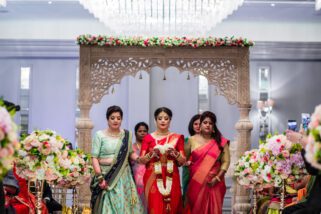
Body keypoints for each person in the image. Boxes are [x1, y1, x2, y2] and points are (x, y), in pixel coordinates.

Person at [90, 105, 143, 213]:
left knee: (124, 206)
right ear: (107, 119)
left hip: (123, 177)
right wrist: (100, 177)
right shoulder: (99, 135)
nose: (116, 120)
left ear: (121, 120)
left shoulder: (126, 135)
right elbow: (94, 158)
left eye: (118, 118)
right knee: (107, 207)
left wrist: (139, 159)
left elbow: (130, 153)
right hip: (106, 176)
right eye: (112, 118)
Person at [139, 107, 186, 214]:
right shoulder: (148, 138)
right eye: (160, 118)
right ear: (155, 120)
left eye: (166, 118)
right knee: (155, 207)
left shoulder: (177, 138)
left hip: (172, 176)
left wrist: (175, 153)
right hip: (153, 177)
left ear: (170, 120)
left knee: (173, 207)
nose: (163, 121)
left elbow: (182, 161)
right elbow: (141, 160)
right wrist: (151, 154)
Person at [186, 111, 230, 214]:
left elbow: (226, 161)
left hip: (215, 182)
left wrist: (217, 177)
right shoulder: (191, 140)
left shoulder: (221, 142)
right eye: (205, 122)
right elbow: (184, 159)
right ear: (200, 125)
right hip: (196, 182)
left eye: (210, 123)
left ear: (213, 126)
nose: (208, 125)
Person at [283, 129, 321, 214]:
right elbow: (312, 170)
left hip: (317, 203)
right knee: (286, 211)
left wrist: (302, 140)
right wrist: (303, 145)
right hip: (314, 199)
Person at [182, 114, 200, 206]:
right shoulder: (187, 140)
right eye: (195, 124)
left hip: (205, 175)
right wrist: (187, 162)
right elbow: (182, 160)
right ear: (192, 126)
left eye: (200, 124)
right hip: (189, 174)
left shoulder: (211, 142)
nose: (198, 126)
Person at [132, 122, 149, 209]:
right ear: (135, 133)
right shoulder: (131, 148)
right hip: (134, 180)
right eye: (140, 131)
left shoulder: (151, 148)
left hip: (148, 178)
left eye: (145, 131)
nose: (142, 133)